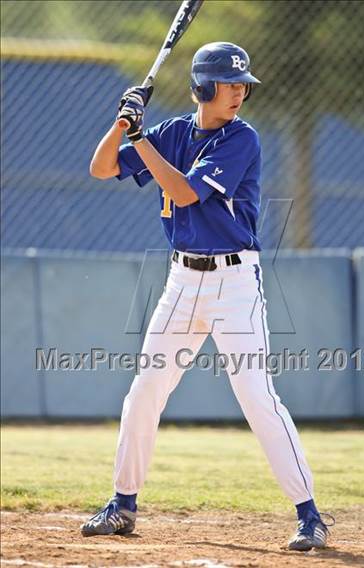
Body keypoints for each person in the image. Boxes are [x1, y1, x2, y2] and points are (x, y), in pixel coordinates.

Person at [80, 42, 332, 551]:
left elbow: (186, 191)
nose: (239, 92)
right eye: (230, 83)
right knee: (145, 390)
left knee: (256, 398)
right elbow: (102, 168)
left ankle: (310, 516)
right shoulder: (171, 132)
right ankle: (123, 504)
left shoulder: (242, 139)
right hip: (182, 283)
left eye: (243, 84)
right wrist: (121, 123)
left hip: (235, 284)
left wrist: (140, 139)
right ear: (202, 88)